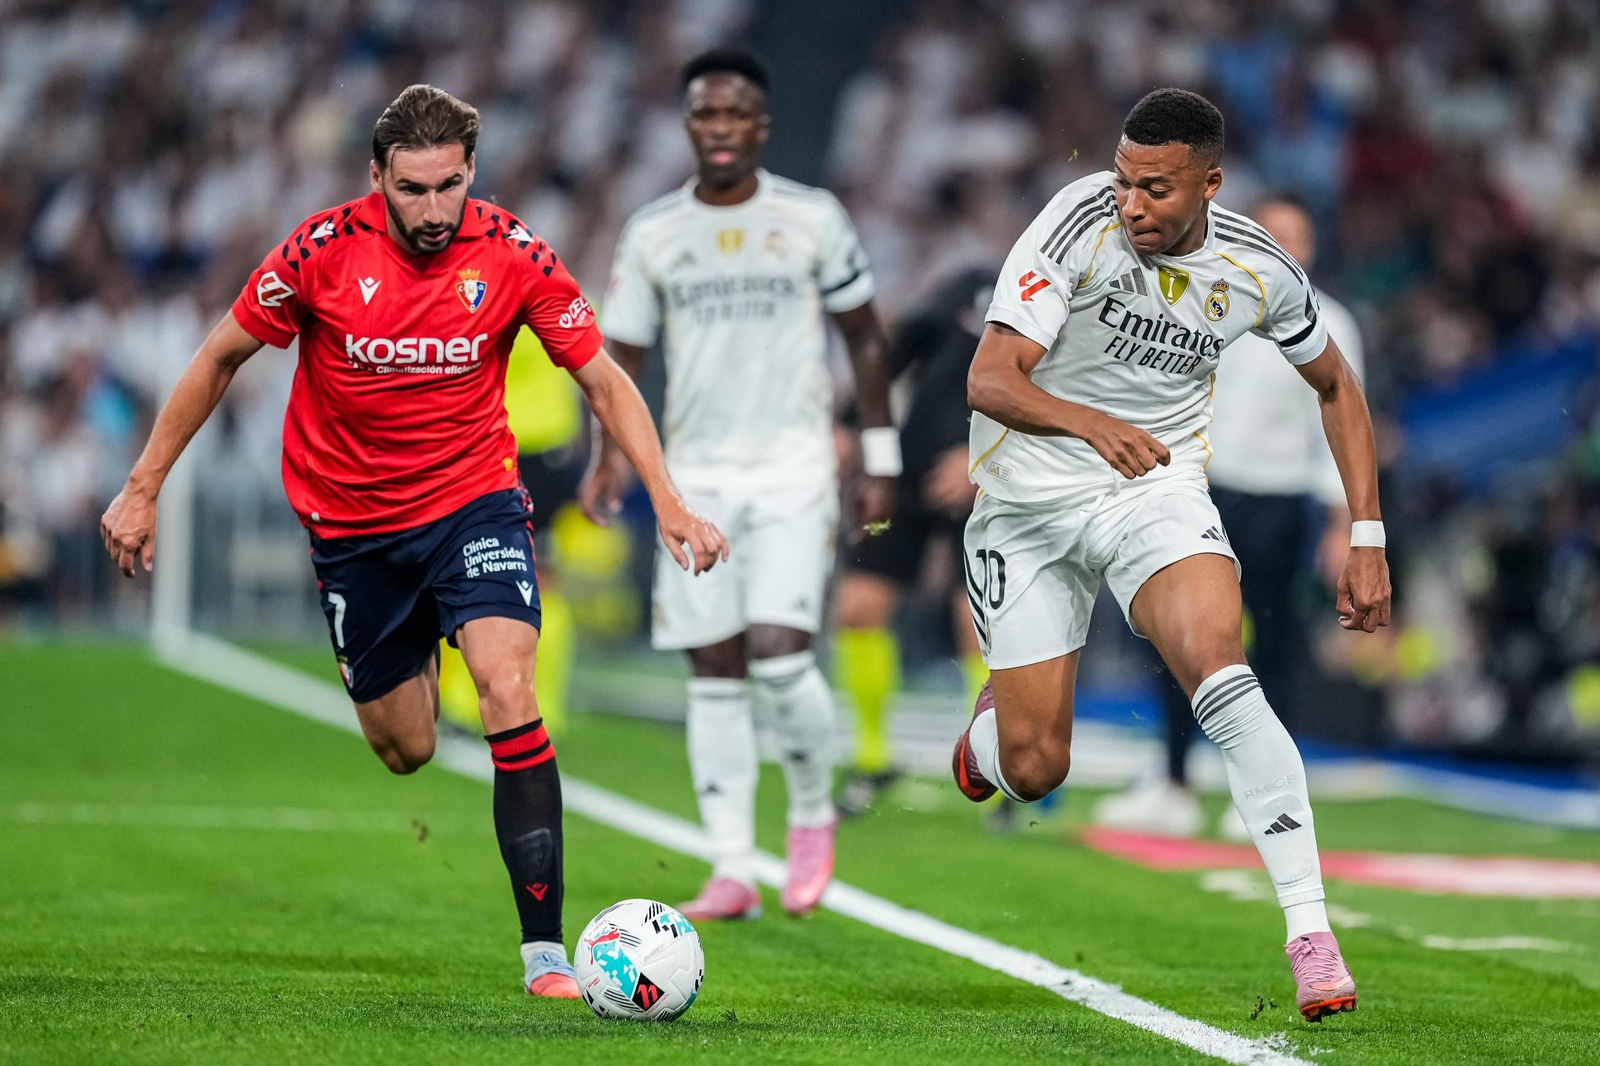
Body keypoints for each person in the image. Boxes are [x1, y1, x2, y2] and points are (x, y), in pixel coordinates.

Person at [100, 85, 727, 999]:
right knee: (407, 749)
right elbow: (219, 357)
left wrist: (667, 499)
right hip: (353, 528)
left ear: (470, 171)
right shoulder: (318, 253)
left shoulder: (514, 255)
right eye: (413, 190)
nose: (434, 211)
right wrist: (143, 484)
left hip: (474, 503)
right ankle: (427, 641)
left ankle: (545, 955)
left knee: (509, 686)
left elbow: (602, 378)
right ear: (376, 178)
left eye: (449, 187)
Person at [950, 89, 1389, 1022]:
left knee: (1221, 671)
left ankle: (1311, 934)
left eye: (1155, 187)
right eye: (1123, 180)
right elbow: (988, 378)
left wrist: (1365, 530)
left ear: (1209, 184)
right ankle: (986, 738)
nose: (1132, 203)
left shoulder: (1258, 266)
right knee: (1035, 769)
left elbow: (1337, 386)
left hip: (1153, 488)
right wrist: (1087, 422)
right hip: (1024, 503)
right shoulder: (1074, 223)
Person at [583, 49, 896, 921]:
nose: (720, 129)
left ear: (760, 125)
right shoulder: (654, 232)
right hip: (697, 475)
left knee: (782, 654)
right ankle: (729, 865)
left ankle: (807, 813)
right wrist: (610, 457)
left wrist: (880, 457)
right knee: (713, 667)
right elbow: (622, 360)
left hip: (794, 467)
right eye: (705, 116)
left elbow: (867, 338)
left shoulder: (811, 217)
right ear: (689, 127)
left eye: (735, 115)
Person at [1092, 194, 1367, 839]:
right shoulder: (1208, 300)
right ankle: (1173, 779)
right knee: (1179, 636)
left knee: (1272, 646)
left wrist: (1342, 523)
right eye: (1273, 232)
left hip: (1278, 500)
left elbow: (1339, 422)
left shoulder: (1333, 323)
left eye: (1296, 235)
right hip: (1201, 488)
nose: (1283, 245)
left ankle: (1272, 796)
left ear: (1312, 247)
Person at [832, 266, 993, 816]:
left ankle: (997, 764)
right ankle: (873, 759)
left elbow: (1060, 391)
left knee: (979, 625)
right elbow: (893, 350)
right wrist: (846, 424)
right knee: (858, 608)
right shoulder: (966, 284)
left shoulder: (1058, 306)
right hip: (907, 473)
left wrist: (986, 456)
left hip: (994, 482)